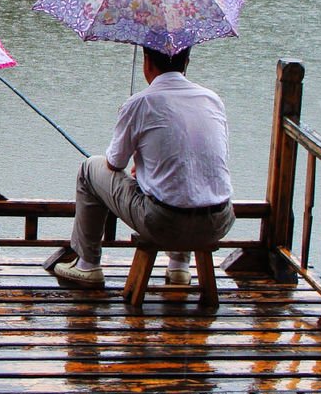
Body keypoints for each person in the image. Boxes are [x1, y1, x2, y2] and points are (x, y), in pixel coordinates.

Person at [51, 45, 234, 287]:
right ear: (186, 61)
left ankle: (88, 264)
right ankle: (179, 267)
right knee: (189, 181)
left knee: (89, 168)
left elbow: (114, 163)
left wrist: (141, 165)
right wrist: (149, 170)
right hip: (218, 221)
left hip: (164, 224)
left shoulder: (140, 102)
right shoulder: (212, 100)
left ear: (147, 61)